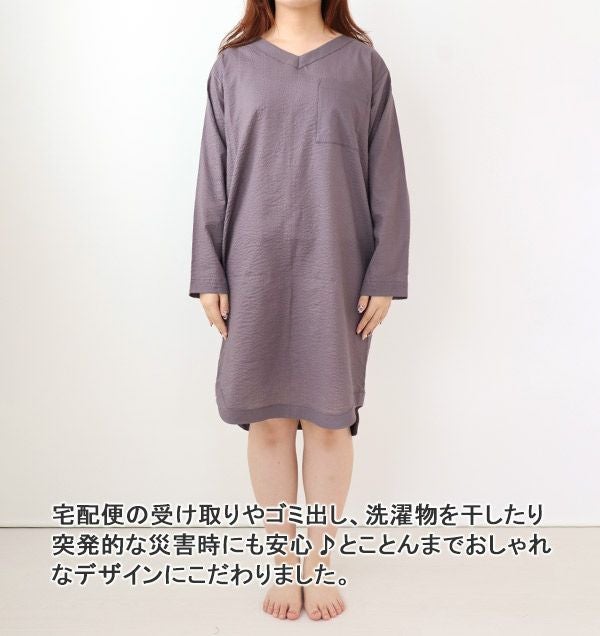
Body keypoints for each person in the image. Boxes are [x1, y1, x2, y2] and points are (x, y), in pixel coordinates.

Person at [189, 0, 410, 621]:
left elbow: (388, 176)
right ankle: (283, 562)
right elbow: (212, 176)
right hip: (251, 266)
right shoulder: (233, 67)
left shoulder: (363, 66)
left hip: (338, 267)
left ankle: (320, 562)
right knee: (267, 420)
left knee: (330, 421)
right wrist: (208, 272)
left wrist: (385, 273)